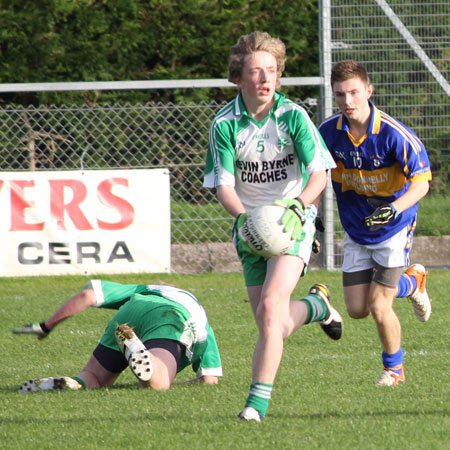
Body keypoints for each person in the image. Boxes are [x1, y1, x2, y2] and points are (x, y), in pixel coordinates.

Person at [203, 31, 342, 422]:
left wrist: (299, 206)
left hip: (294, 222)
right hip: (249, 228)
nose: (265, 79)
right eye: (255, 71)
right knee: (274, 325)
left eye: (271, 71)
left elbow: (319, 175)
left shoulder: (294, 116)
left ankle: (255, 406)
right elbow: (224, 187)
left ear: (279, 76)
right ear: (237, 78)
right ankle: (317, 306)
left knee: (268, 308)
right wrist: (246, 219)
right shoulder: (224, 125)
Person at [319, 59, 432, 387]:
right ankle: (413, 282)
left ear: (369, 91)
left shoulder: (395, 135)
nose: (348, 101)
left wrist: (394, 209)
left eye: (354, 92)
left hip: (394, 229)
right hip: (356, 229)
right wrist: (308, 214)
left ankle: (394, 370)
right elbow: (314, 175)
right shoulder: (328, 133)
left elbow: (423, 183)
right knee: (356, 309)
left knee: (380, 304)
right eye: (340, 95)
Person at [13, 280, 222, 392]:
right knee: (158, 384)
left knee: (95, 378)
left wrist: (46, 326)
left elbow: (87, 295)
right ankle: (144, 355)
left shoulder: (145, 289)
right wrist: (172, 382)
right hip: (171, 315)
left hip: (129, 311)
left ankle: (72, 382)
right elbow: (209, 380)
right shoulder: (198, 314)